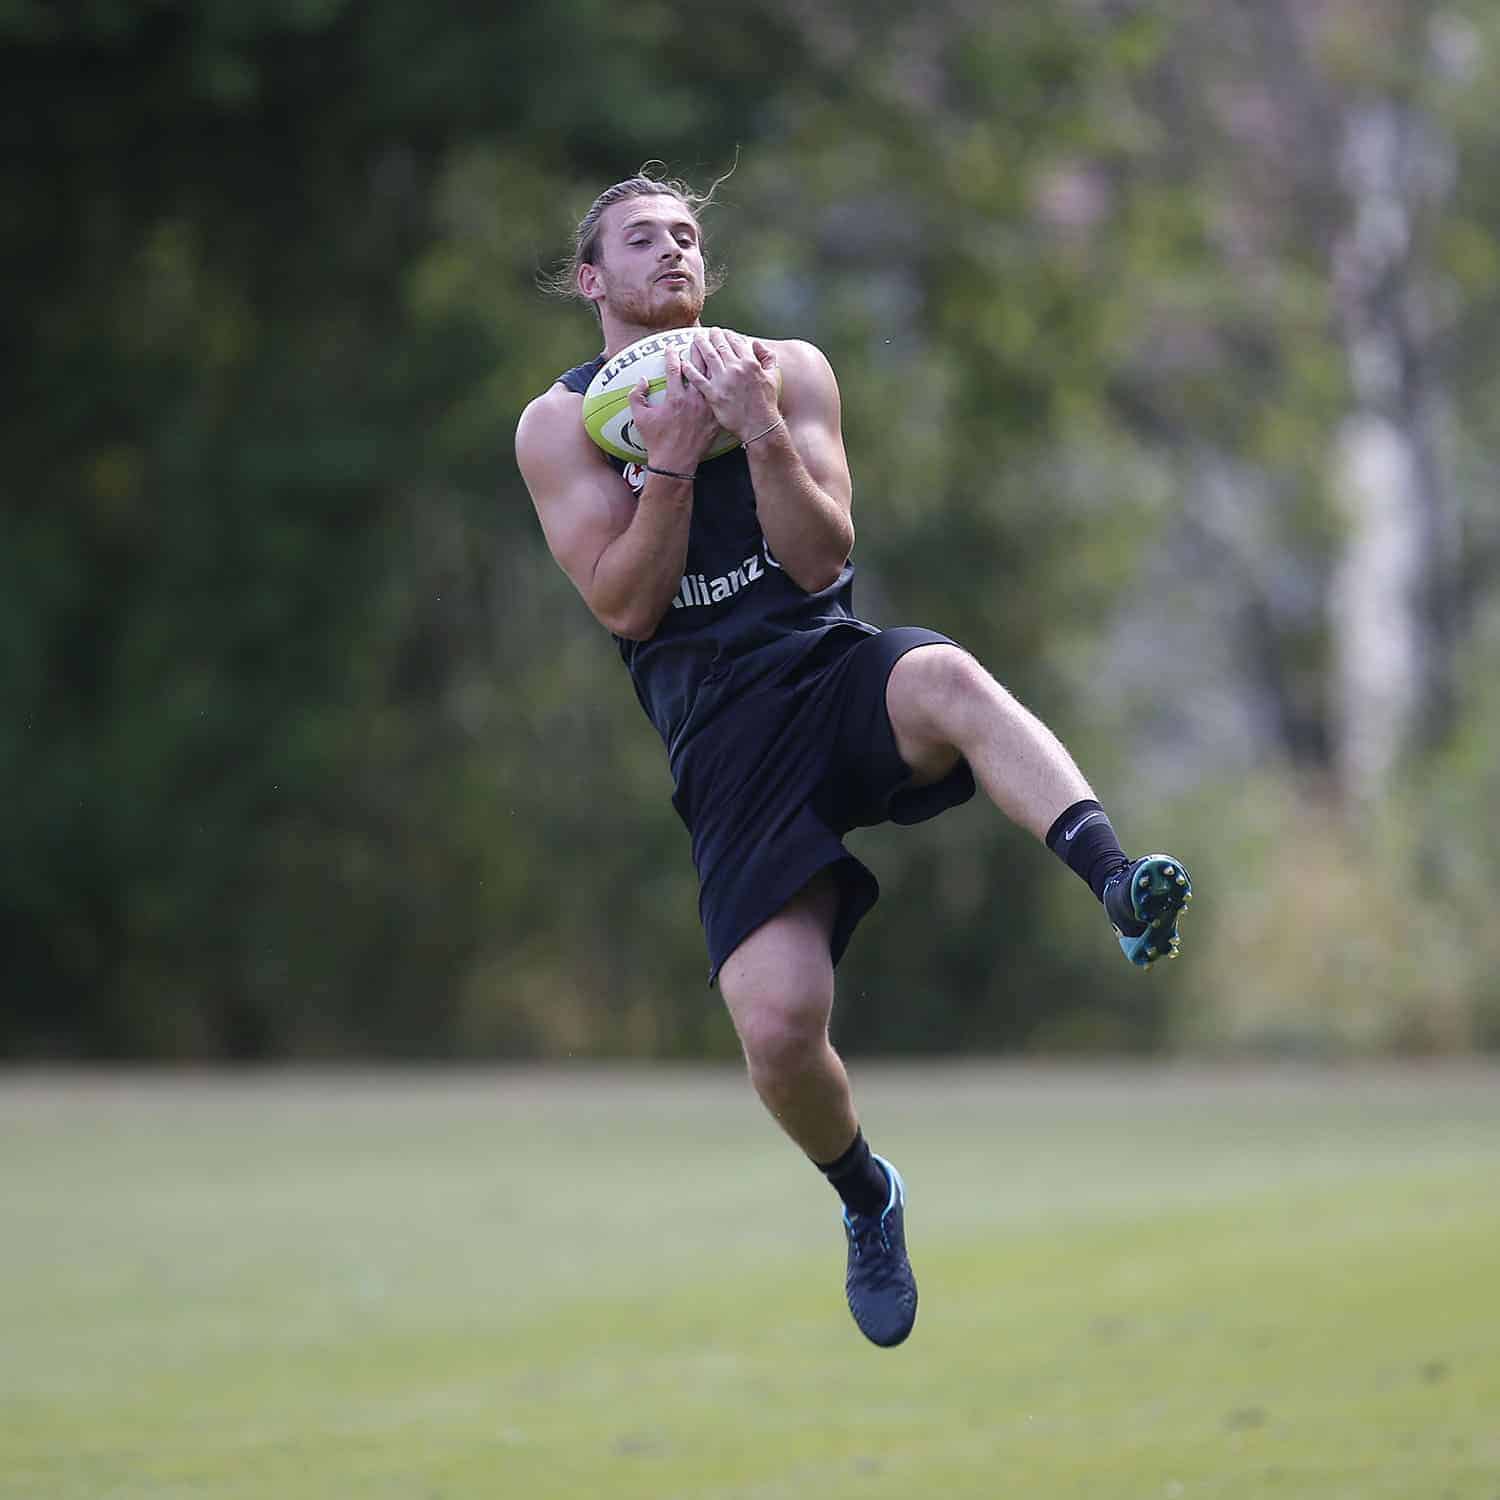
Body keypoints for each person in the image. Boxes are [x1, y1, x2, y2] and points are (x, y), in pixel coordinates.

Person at [514, 166, 1192, 1349]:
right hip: (722, 741)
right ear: (592, 278)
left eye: (685, 235)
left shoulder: (792, 368)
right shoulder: (552, 425)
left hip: (831, 676)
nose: (671, 252)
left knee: (946, 676)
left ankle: (1119, 881)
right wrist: (672, 458)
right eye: (639, 240)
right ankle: (867, 1197)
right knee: (778, 1034)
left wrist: (758, 428)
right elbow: (625, 608)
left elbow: (824, 562)